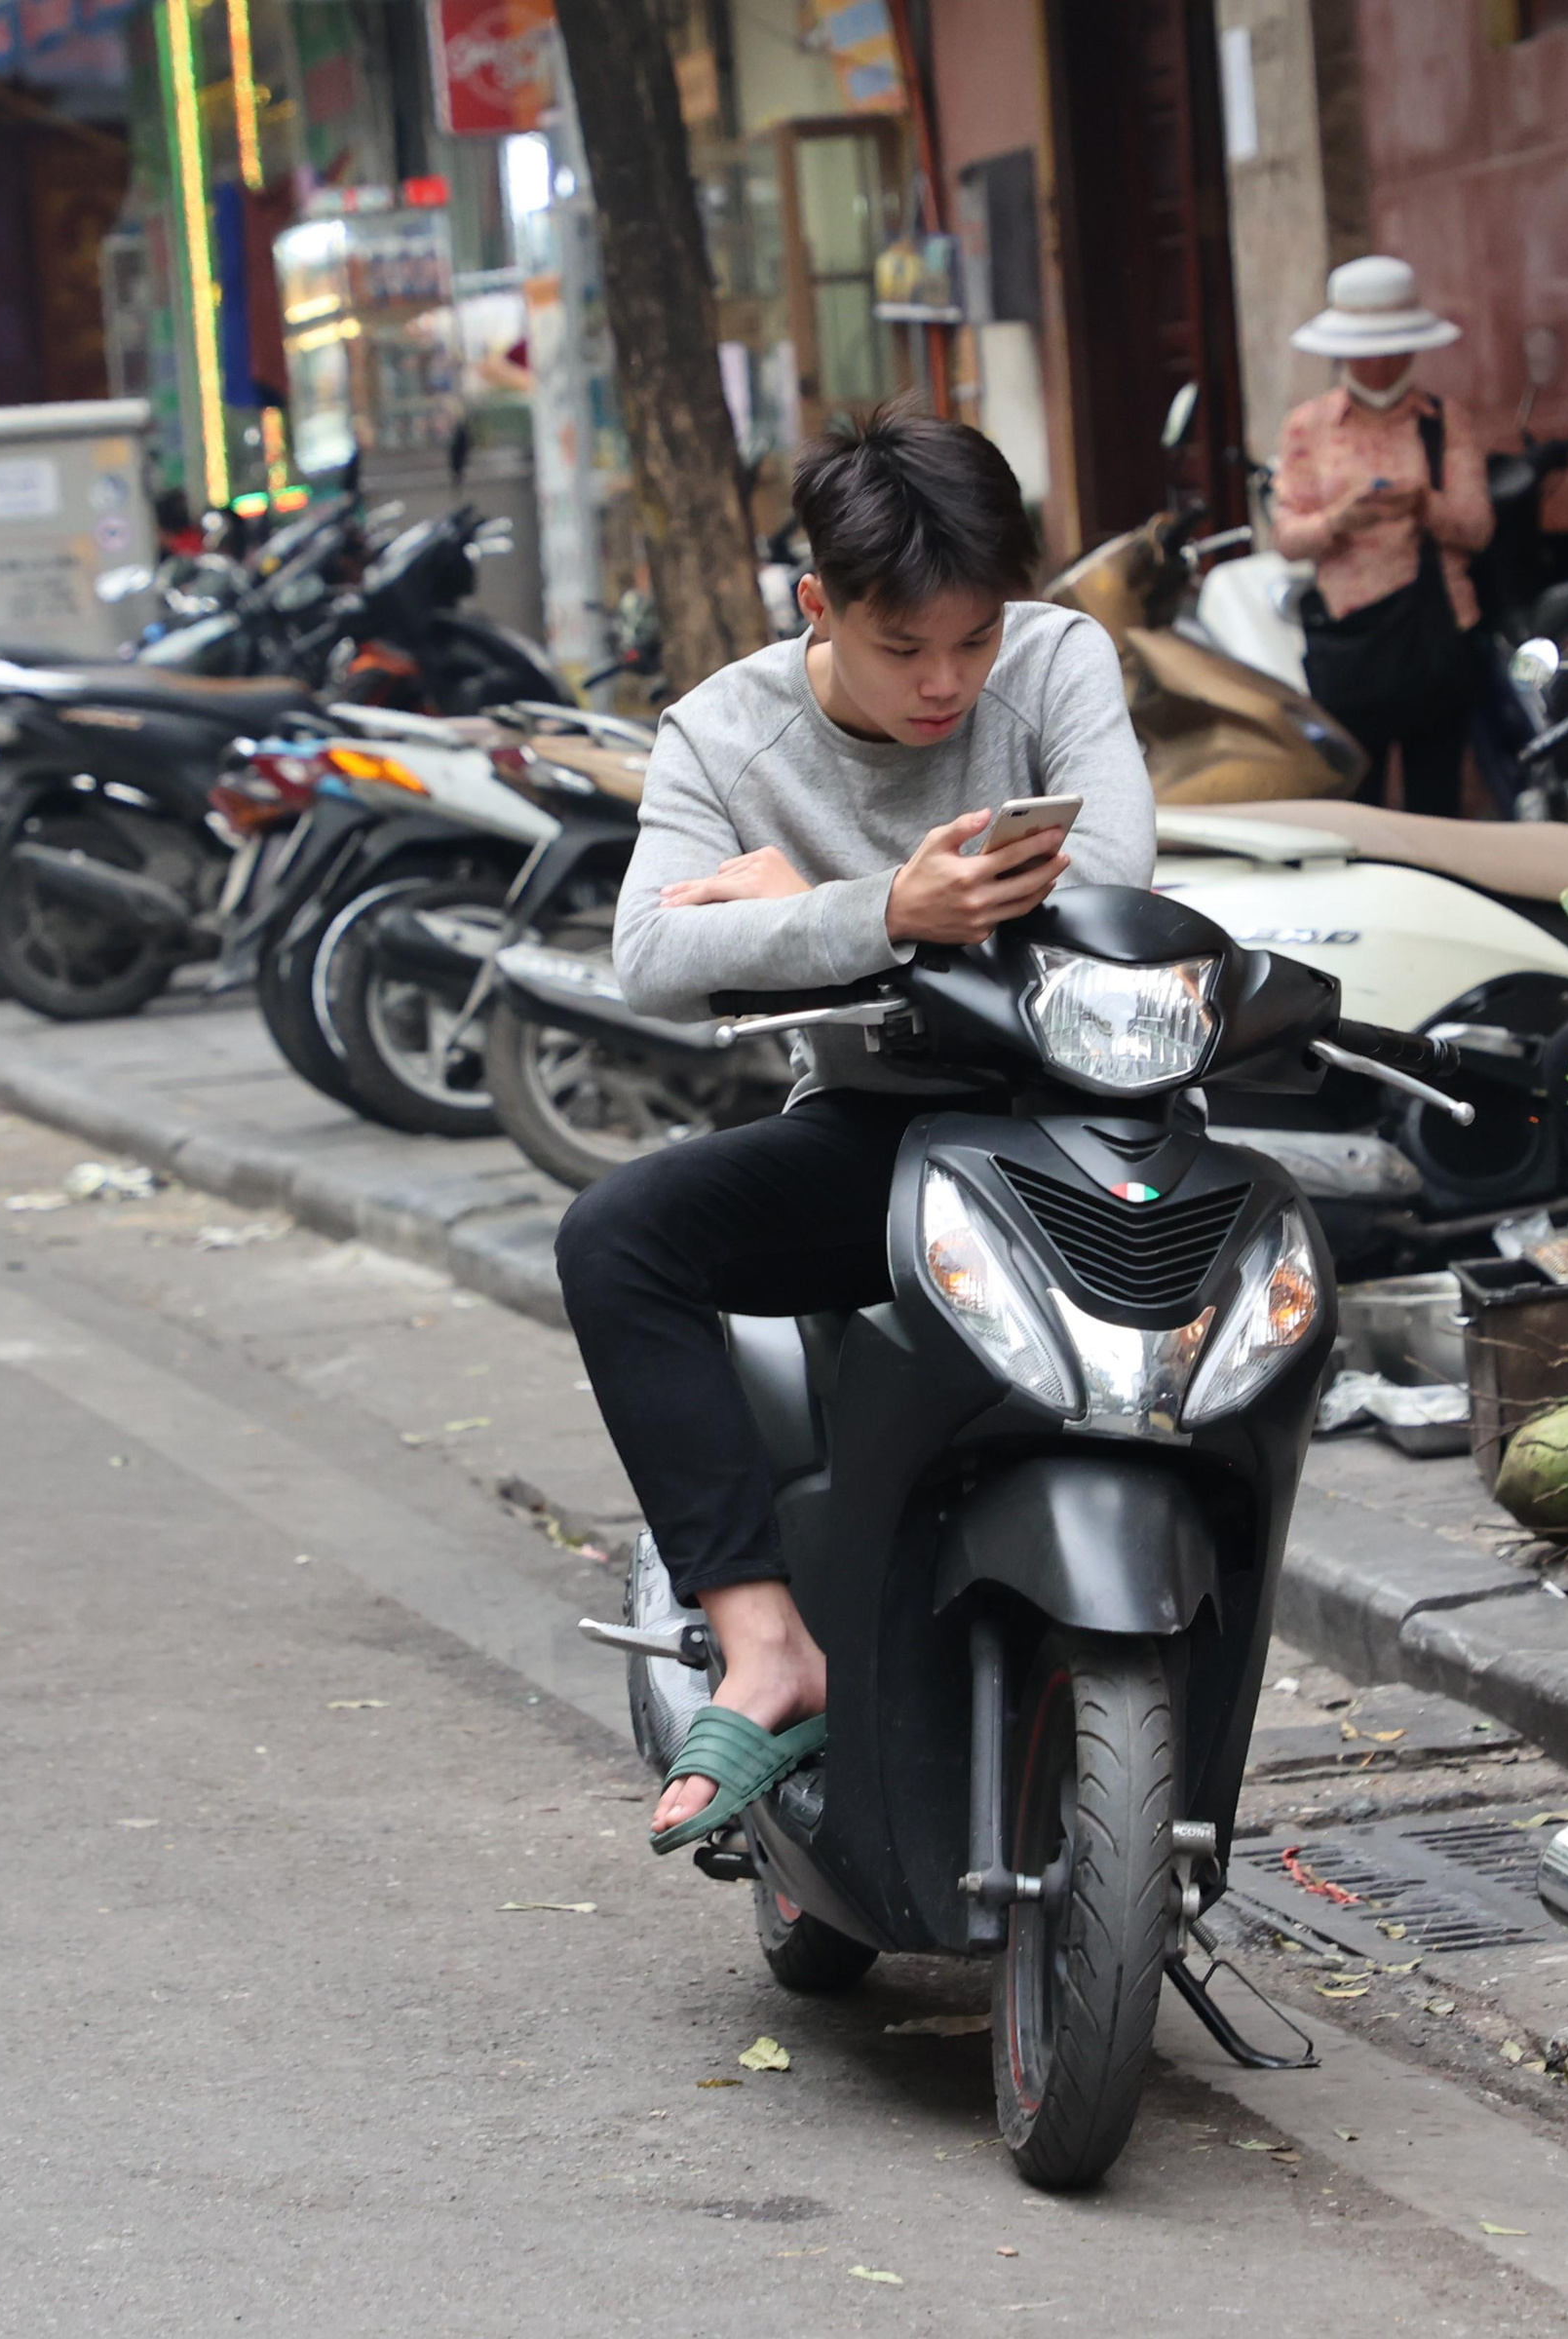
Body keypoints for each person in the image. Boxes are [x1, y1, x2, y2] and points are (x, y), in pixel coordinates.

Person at [555, 404, 1157, 1848]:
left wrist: (794, 913)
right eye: (904, 648)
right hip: (881, 1143)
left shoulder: (1061, 658)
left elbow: (1114, 879)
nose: (949, 682)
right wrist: (888, 910)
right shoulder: (723, 730)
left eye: (974, 638)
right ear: (818, 604)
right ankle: (764, 1642)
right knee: (616, 1238)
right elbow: (651, 952)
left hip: (1090, 1123)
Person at [1271, 255, 1494, 821]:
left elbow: (1477, 528)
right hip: (1350, 645)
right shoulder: (1308, 426)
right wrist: (1339, 521)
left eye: (1393, 346)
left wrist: (1422, 504)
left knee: (1437, 806)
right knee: (1359, 809)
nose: (1379, 361)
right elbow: (1287, 536)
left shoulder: (1444, 422)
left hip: (1436, 638)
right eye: (1366, 348)